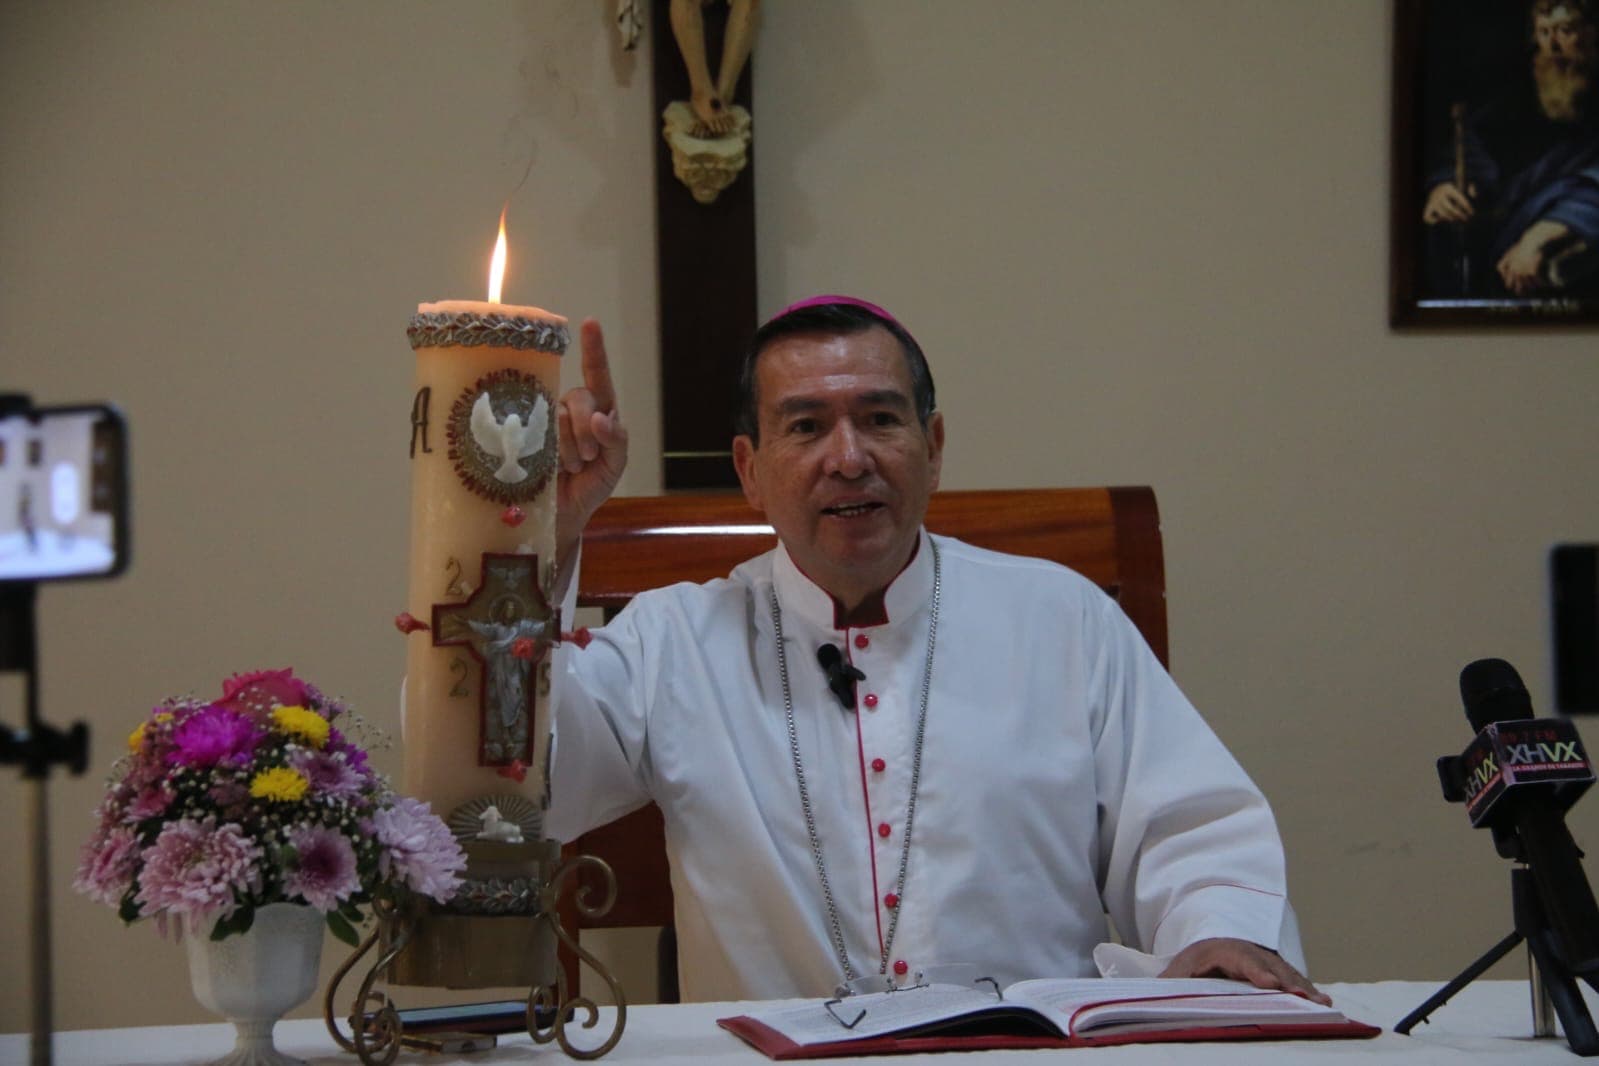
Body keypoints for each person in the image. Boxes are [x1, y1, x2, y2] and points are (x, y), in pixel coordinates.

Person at [543, 297, 1325, 1005]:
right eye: (806, 426)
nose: (848, 458)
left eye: (880, 419)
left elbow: (1187, 824)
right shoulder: (672, 640)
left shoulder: (1060, 619)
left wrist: (1217, 929)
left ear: (934, 444)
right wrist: (540, 537)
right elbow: (524, 793)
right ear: (749, 469)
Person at [1422, 0, 1599, 297]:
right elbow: (1471, 149)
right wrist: (1444, 188)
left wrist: (1548, 231)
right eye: (1544, 33)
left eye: (1566, 31)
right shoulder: (1517, 93)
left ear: (1593, 33)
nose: (1552, 46)